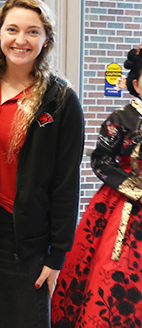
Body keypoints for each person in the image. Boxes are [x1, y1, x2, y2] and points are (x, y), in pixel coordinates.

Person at [0, 0, 84, 328]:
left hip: (24, 240)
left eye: (33, 31)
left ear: (46, 39)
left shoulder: (60, 100)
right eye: (13, 29)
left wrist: (57, 254)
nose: (21, 40)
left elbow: (65, 182)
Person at [51, 46, 142, 326]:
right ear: (136, 83)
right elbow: (102, 159)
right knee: (113, 269)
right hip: (125, 205)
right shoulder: (120, 119)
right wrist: (133, 187)